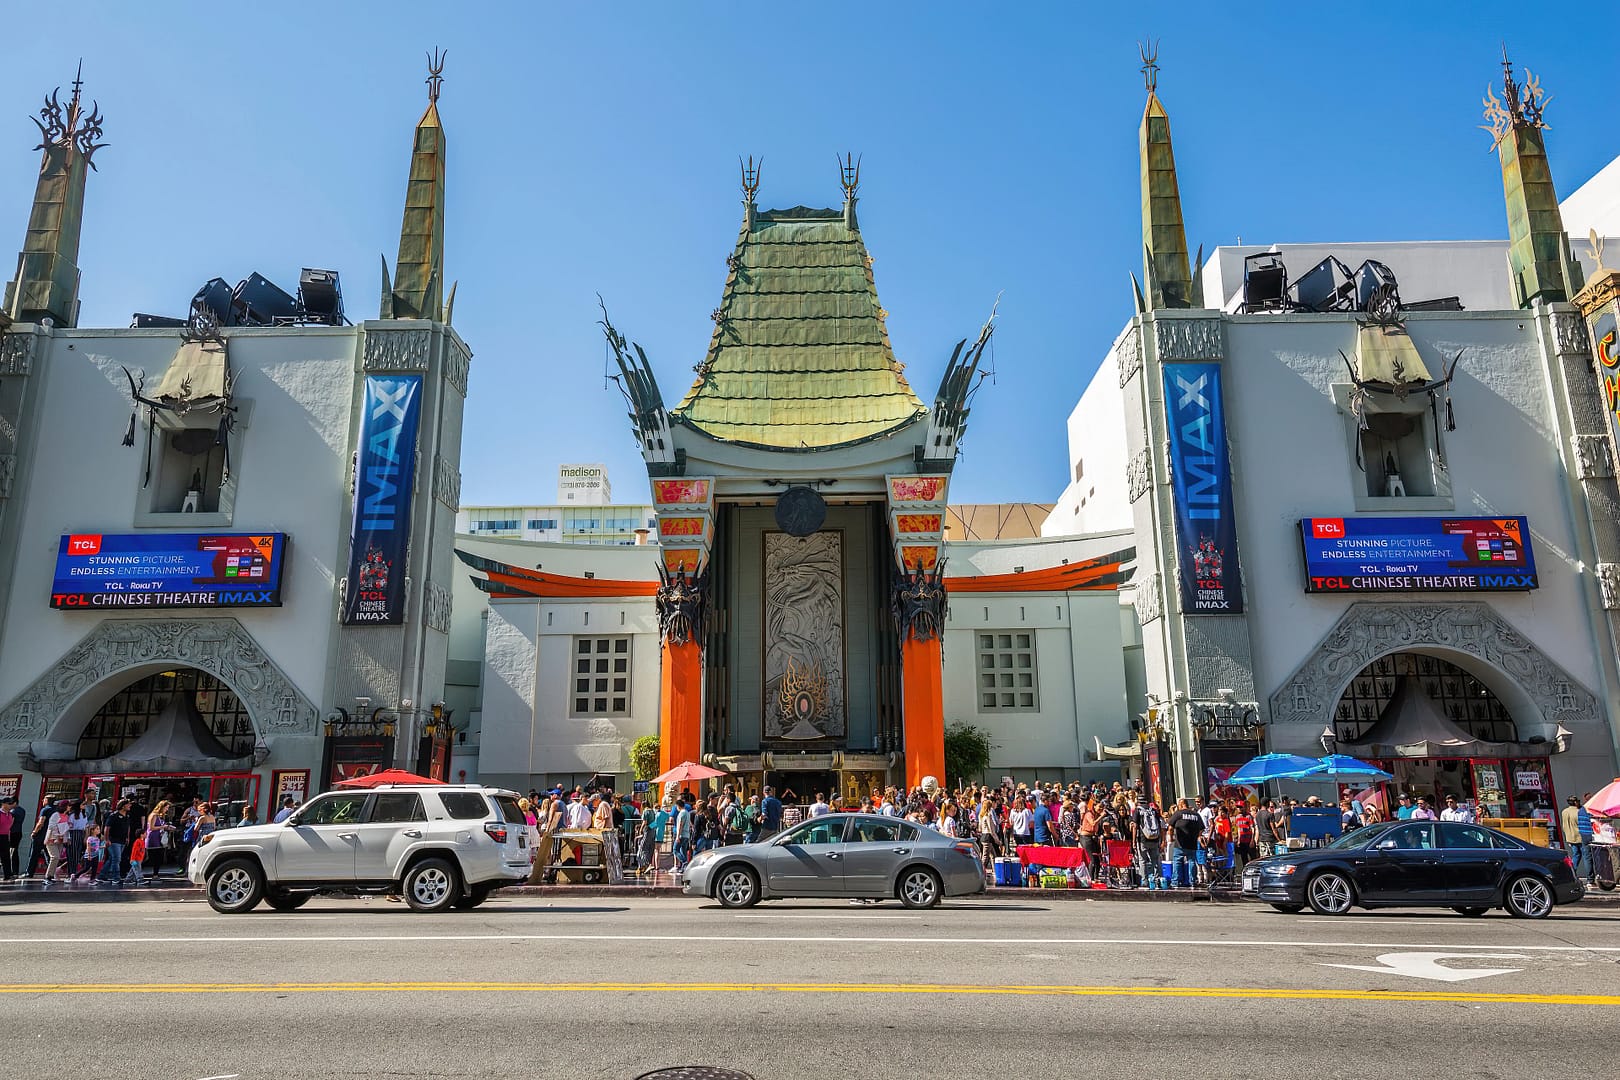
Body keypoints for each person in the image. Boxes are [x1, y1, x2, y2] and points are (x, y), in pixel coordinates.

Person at [1167, 798, 1204, 889]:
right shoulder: (1196, 815)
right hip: (1192, 843)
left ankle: (1175, 882)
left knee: (1177, 861)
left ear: (1181, 804)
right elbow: (1202, 828)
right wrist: (1197, 836)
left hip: (1180, 843)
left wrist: (1171, 838)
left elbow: (1170, 827)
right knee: (1192, 861)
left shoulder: (1178, 814)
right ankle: (1192, 881)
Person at [1133, 796, 1165, 889]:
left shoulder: (1138, 810)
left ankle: (1144, 880)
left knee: (1142, 860)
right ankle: (1158, 879)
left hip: (1143, 839)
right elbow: (1161, 824)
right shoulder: (1153, 810)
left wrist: (1134, 841)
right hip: (1155, 838)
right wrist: (1162, 840)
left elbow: (1135, 826)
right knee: (1155, 860)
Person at [1562, 797, 1586, 877]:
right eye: (1578, 801)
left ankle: (1571, 873)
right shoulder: (1578, 812)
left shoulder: (1564, 812)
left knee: (1576, 855)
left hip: (1570, 837)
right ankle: (1590, 877)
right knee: (1586, 857)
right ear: (1575, 802)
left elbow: (1564, 825)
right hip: (1580, 837)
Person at [0, 796, 21, 881]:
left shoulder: (10, 815)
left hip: (5, 837)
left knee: (6, 856)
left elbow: (9, 828)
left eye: (11, 804)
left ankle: (7, 874)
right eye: (8, 804)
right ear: (3, 804)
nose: (10, 805)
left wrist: (8, 837)